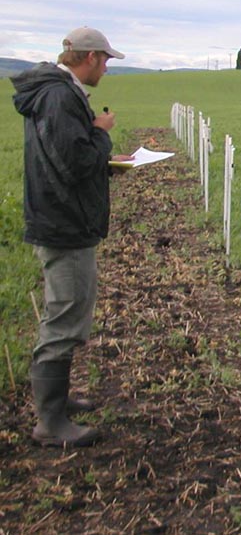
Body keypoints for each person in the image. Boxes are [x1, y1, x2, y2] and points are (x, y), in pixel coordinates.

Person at [12, 27, 133, 447]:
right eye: (105, 61)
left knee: (70, 309)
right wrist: (100, 132)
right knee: (63, 317)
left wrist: (105, 157)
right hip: (63, 222)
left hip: (64, 217)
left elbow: (68, 156)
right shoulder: (60, 97)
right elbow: (74, 162)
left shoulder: (59, 93)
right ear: (90, 57)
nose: (106, 68)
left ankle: (57, 402)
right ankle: (50, 422)